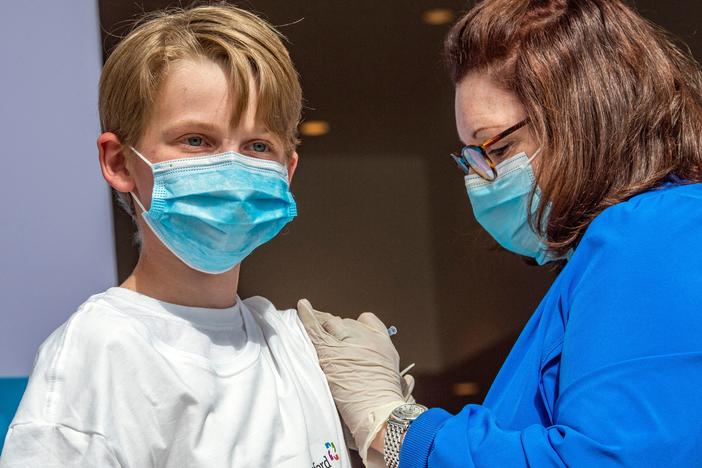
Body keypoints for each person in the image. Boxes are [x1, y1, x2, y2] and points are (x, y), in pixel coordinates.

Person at [298, 0, 702, 466]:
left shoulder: (655, 232)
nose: (482, 180)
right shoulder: (621, 250)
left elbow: (606, 460)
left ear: (587, 117)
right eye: (471, 158)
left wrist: (394, 427)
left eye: (499, 147)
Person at [0, 5, 351, 467]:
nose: (232, 166)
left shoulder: (295, 346)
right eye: (196, 140)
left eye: (257, 146)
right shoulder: (99, 355)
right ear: (120, 163)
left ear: (286, 171)